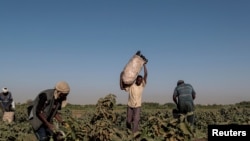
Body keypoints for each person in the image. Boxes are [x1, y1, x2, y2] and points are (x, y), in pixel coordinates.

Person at [120, 63, 148, 133]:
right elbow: (122, 87)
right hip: (130, 106)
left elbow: (146, 74)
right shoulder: (131, 85)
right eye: (138, 80)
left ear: (142, 81)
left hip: (137, 106)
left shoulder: (142, 85)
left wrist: (144, 65)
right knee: (128, 121)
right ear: (136, 80)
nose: (139, 81)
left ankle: (134, 135)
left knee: (136, 120)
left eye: (140, 80)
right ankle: (128, 131)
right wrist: (120, 78)